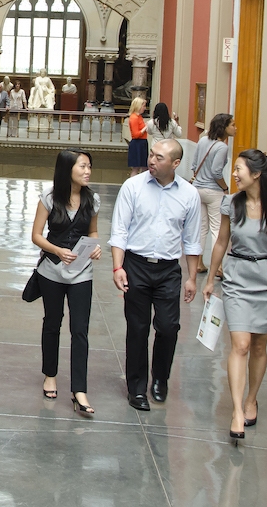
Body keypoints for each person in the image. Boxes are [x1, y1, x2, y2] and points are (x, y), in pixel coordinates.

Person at [201, 149, 267, 441]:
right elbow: (221, 243)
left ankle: (251, 399)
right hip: (236, 280)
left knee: (258, 346)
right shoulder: (231, 203)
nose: (234, 174)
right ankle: (235, 411)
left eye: (239, 169)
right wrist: (210, 279)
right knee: (240, 345)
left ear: (256, 174)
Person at [109, 138, 202, 411]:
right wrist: (118, 267)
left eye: (159, 157)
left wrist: (192, 277)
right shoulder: (132, 187)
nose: (151, 160)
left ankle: (160, 378)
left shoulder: (189, 195)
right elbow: (119, 231)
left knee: (168, 327)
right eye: (151, 155)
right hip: (136, 265)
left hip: (168, 270)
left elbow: (193, 240)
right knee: (137, 329)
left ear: (175, 163)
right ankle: (136, 389)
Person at [31, 150, 101, 416]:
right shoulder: (49, 198)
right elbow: (36, 236)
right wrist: (57, 251)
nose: (87, 171)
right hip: (52, 270)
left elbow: (92, 231)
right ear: (67, 169)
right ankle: (50, 374)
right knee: (52, 322)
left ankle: (79, 389)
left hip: (82, 272)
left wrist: (96, 247)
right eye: (82, 166)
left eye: (89, 167)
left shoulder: (92, 199)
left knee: (80, 329)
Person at [191, 113, 236, 273]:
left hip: (197, 188)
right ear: (223, 127)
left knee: (202, 227)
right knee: (218, 229)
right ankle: (219, 266)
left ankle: (198, 263)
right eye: (232, 125)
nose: (235, 128)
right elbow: (217, 172)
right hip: (213, 191)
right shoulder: (222, 147)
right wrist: (225, 188)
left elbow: (194, 164)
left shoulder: (202, 140)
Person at [126, 97, 148, 176]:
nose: (144, 108)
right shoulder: (134, 118)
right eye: (143, 106)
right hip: (137, 143)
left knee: (145, 166)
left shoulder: (139, 117)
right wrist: (145, 127)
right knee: (136, 167)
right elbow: (136, 135)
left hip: (142, 143)